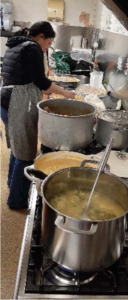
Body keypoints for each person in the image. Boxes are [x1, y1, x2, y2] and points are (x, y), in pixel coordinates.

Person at [1, 21, 75, 209]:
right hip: (18, 103)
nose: (47, 48)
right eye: (49, 43)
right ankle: (16, 201)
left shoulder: (17, 43)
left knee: (18, 148)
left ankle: (13, 184)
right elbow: (42, 82)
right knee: (26, 154)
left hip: (6, 101)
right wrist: (66, 93)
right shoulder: (31, 48)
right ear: (40, 36)